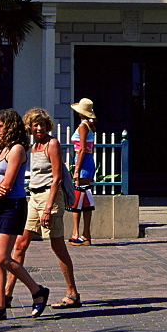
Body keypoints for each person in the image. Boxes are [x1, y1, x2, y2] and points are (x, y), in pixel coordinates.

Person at [0, 108, 81, 309]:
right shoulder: (32, 146)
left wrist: (48, 207)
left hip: (49, 197)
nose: (39, 128)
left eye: (42, 124)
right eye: (35, 125)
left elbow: (57, 178)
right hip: (33, 196)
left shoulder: (51, 144)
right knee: (20, 243)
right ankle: (7, 294)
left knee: (57, 245)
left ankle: (72, 293)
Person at [0, 108, 49, 321]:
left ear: (11, 126)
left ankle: (37, 291)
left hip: (13, 206)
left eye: (1, 126)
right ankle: (0, 307)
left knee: (4, 258)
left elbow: (7, 185)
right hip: (1, 205)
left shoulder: (17, 149)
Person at [67, 97, 96, 246]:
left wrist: (77, 168)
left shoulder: (83, 126)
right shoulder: (90, 126)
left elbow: (82, 149)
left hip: (83, 162)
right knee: (85, 196)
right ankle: (86, 233)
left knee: (77, 197)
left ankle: (76, 232)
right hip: (88, 161)